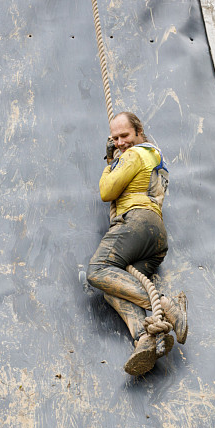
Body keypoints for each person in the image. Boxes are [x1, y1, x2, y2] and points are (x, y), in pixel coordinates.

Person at [87, 112, 188, 376]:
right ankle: (144, 337)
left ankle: (166, 306)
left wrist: (110, 162)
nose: (120, 142)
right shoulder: (156, 158)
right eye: (115, 138)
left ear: (139, 132)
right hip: (156, 236)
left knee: (97, 270)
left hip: (136, 222)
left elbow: (106, 191)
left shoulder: (134, 155)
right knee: (112, 287)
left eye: (125, 136)